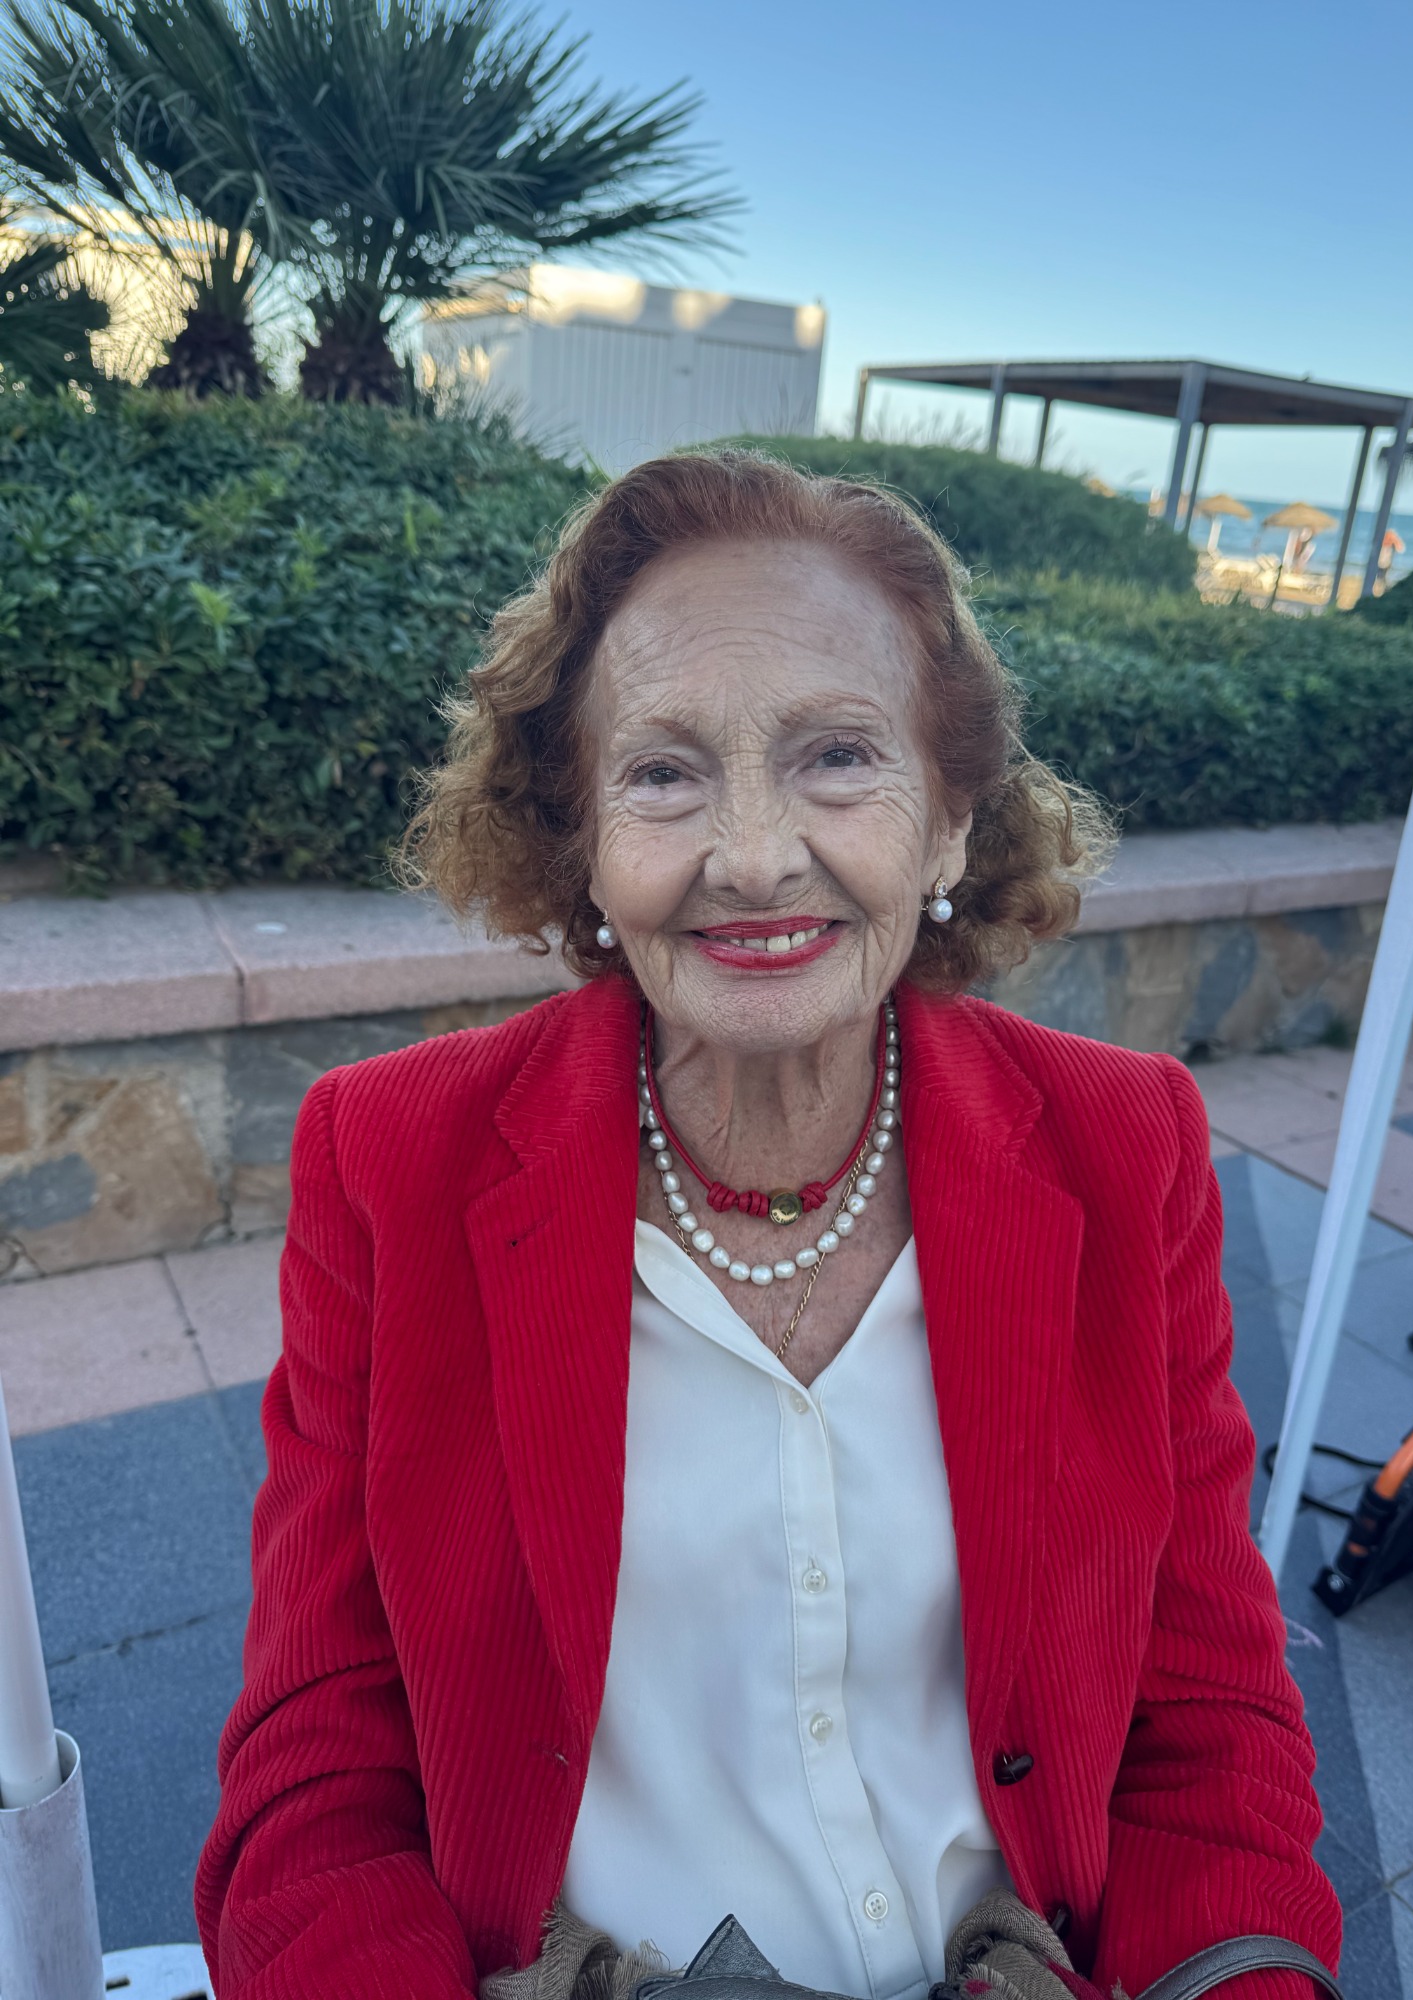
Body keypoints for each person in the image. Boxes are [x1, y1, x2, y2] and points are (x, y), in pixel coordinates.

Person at [195, 451, 1341, 2000]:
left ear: (950, 822)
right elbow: (317, 1765)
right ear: (580, 839)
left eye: (837, 758)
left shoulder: (1125, 1147)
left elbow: (1208, 1710)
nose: (749, 856)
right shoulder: (391, 1161)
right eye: (663, 775)